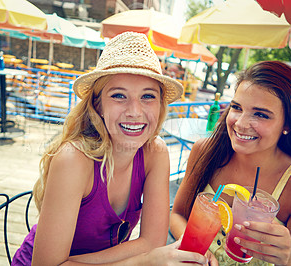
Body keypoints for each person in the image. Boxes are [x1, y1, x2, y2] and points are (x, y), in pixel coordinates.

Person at [12, 32, 211, 266]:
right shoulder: (74, 159)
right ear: (98, 105)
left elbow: (152, 242)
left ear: (160, 105)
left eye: (148, 96)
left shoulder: (155, 153)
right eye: (119, 95)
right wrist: (142, 261)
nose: (135, 111)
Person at [170, 61, 291, 265]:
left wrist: (289, 256)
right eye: (237, 107)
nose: (241, 123)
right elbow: (177, 214)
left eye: (261, 114)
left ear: (287, 123)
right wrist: (196, 251)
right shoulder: (205, 150)